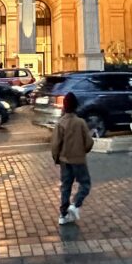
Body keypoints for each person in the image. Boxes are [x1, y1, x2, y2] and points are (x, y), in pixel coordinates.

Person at [50, 92, 94, 225]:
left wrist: (57, 158)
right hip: (79, 160)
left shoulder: (60, 123)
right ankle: (75, 205)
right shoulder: (80, 122)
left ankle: (63, 215)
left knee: (65, 186)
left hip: (65, 160)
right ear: (76, 106)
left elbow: (55, 144)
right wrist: (82, 151)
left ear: (64, 106)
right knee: (85, 184)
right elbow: (89, 143)